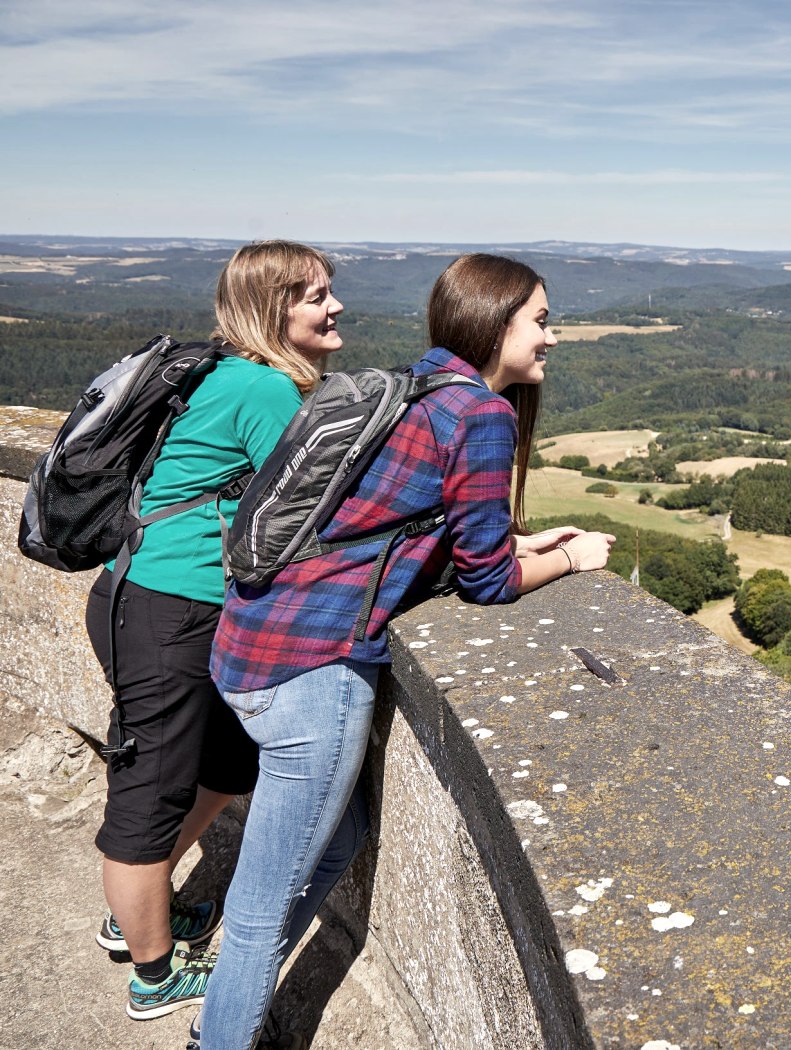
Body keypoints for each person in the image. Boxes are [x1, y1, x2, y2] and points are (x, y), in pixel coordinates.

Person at [199, 253, 614, 1048]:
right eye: (540, 320)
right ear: (495, 323)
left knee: (343, 834)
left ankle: (226, 1015)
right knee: (257, 912)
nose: (551, 337)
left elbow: (413, 528)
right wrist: (569, 558)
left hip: (248, 645)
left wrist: (517, 540)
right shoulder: (480, 413)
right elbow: (488, 582)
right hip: (311, 671)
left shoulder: (417, 384)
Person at [85, 240, 343, 1020]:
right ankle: (153, 975)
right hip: (166, 611)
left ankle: (137, 910)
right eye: (315, 297)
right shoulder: (263, 389)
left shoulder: (223, 372)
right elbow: (317, 511)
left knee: (227, 764)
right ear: (273, 311)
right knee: (149, 796)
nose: (335, 307)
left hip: (170, 603)